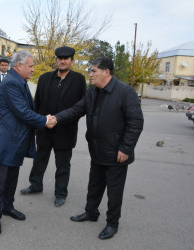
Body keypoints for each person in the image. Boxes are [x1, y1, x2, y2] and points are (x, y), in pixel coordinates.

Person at [54, 57, 144, 240]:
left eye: (94, 71)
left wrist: (125, 149)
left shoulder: (126, 92)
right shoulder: (92, 92)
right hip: (97, 150)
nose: (91, 74)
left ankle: (112, 224)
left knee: (114, 191)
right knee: (94, 185)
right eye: (91, 70)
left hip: (117, 153)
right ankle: (91, 213)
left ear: (107, 72)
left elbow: (136, 122)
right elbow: (76, 110)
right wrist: (55, 118)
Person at [0, 51, 56, 236]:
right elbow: (23, 111)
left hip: (15, 141)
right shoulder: (11, 83)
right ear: (19, 66)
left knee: (11, 179)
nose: (33, 69)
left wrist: (41, 119)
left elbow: (25, 111)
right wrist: (44, 120)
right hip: (3, 141)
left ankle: (7, 207)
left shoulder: (19, 81)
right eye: (31, 66)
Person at [20, 46, 86, 207]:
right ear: (56, 60)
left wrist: (60, 120)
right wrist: (36, 123)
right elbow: (37, 104)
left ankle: (61, 193)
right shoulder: (44, 78)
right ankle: (35, 185)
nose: (62, 61)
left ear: (72, 61)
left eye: (66, 58)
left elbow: (82, 107)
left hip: (65, 131)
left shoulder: (79, 80)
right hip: (44, 129)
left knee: (63, 164)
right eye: (60, 58)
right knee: (39, 160)